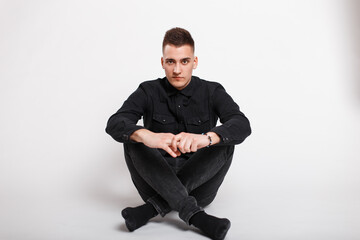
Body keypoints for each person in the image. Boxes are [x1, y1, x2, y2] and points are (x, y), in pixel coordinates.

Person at [105, 27, 251, 240]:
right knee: (133, 136)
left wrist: (206, 138)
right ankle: (196, 217)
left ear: (195, 62)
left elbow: (242, 124)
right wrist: (147, 135)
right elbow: (115, 123)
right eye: (171, 62)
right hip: (154, 183)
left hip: (200, 189)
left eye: (184, 61)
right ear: (163, 62)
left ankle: (151, 209)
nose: (177, 70)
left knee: (224, 139)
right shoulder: (148, 90)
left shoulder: (212, 91)